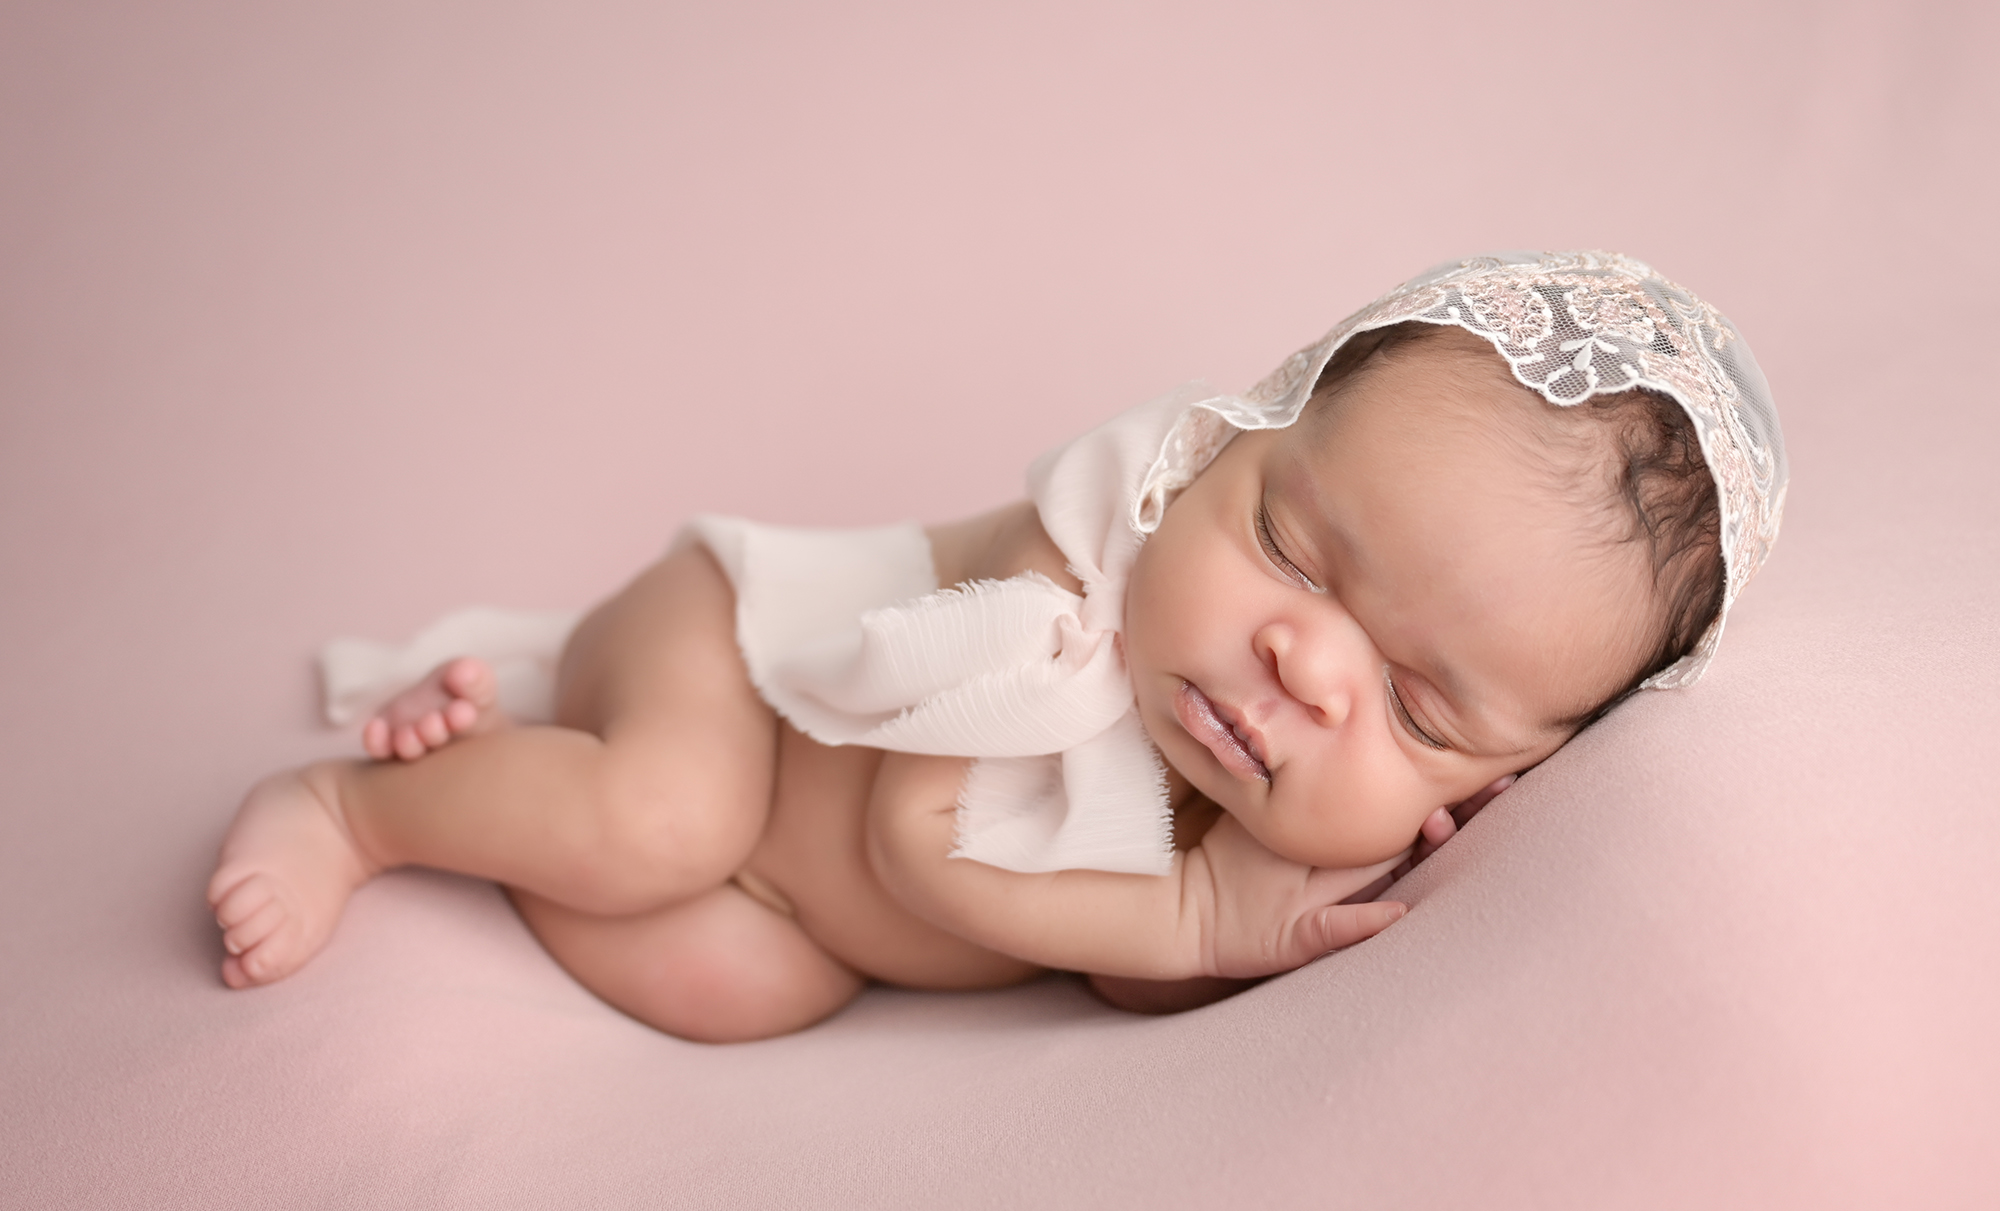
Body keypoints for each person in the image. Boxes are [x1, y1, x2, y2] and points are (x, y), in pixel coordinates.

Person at [206, 252, 1787, 1042]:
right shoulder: (1085, 554)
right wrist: (1200, 919)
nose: (1307, 669)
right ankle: (354, 808)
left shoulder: (1270, 785)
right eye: (1294, 553)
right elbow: (917, 836)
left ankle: (503, 752)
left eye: (1421, 710)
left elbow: (1105, 972)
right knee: (658, 821)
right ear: (1231, 441)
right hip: (730, 657)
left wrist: (1231, 925)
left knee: (733, 990)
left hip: (801, 904)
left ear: (1506, 779)